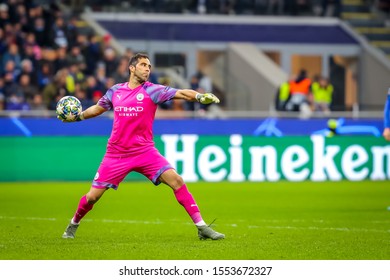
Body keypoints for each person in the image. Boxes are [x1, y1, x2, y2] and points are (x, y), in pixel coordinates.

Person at [61, 53, 225, 240]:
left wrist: (199, 96)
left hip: (145, 152)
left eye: (149, 66)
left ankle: (202, 227)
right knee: (92, 198)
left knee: (176, 180)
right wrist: (79, 116)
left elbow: (180, 93)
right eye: (143, 65)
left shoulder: (153, 90)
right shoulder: (115, 91)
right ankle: (73, 224)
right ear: (132, 68)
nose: (147, 69)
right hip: (116, 154)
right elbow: (98, 108)